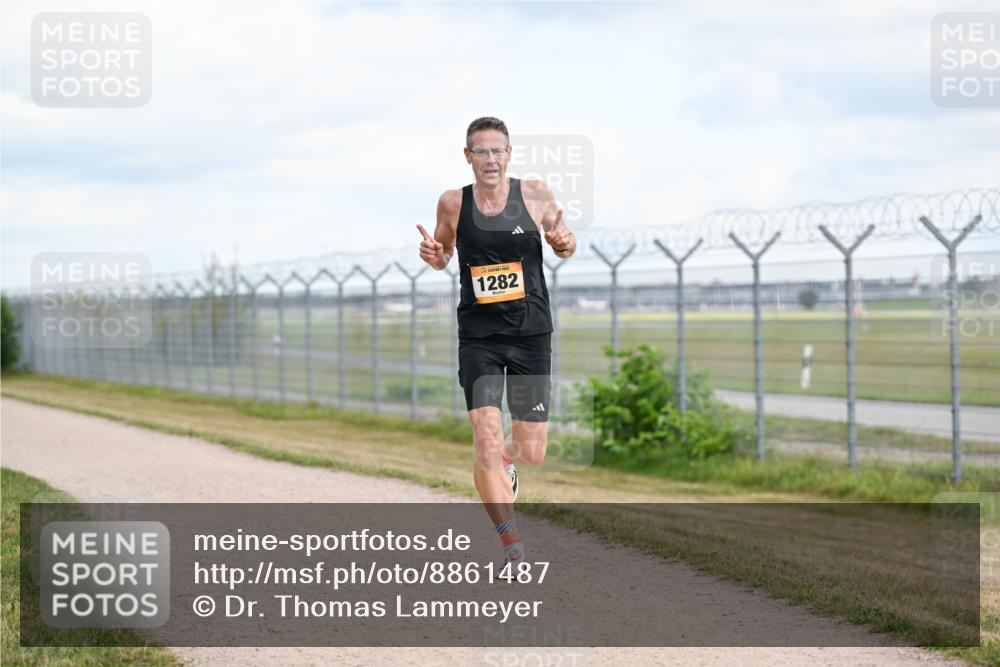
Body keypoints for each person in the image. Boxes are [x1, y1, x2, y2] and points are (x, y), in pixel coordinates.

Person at [416, 117, 576, 565]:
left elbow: (564, 242)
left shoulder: (536, 194)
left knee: (532, 452)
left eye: (497, 151)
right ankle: (512, 546)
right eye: (481, 151)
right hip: (479, 336)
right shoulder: (453, 203)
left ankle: (507, 462)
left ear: (509, 154)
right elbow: (444, 252)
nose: (490, 159)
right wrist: (436, 256)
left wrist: (564, 242)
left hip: (530, 333)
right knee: (485, 437)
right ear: (467, 156)